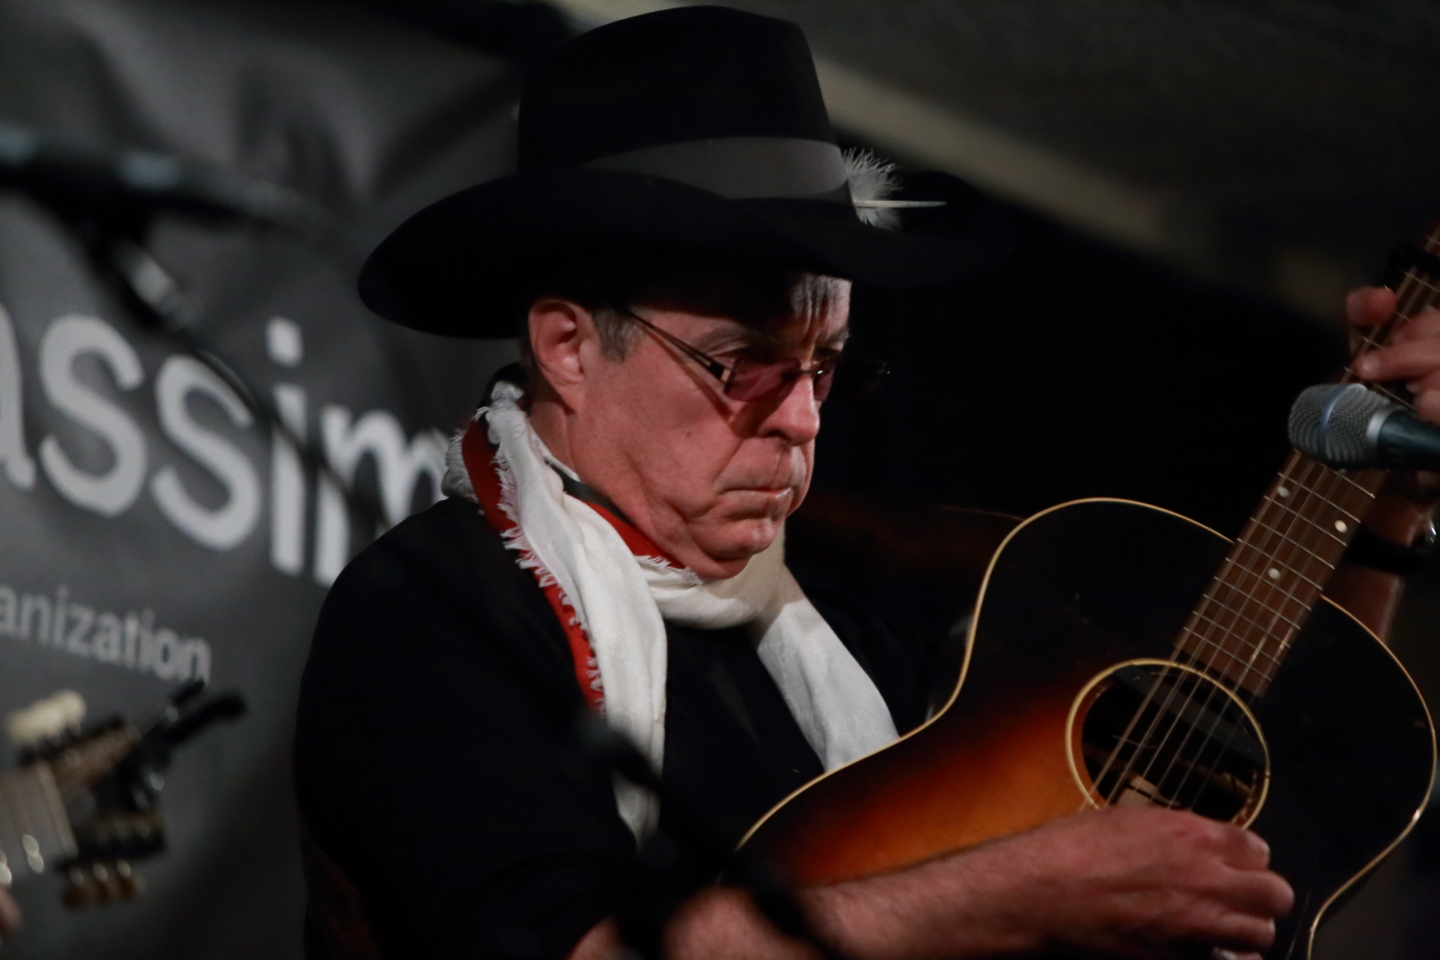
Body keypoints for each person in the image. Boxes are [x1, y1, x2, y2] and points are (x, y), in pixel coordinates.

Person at [293, 7, 1440, 960]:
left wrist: (1384, 488)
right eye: (741, 365)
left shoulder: (849, 646)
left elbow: (1258, 757)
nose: (802, 420)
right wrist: (1017, 893)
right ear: (568, 348)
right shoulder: (437, 609)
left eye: (825, 368)